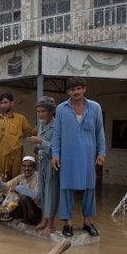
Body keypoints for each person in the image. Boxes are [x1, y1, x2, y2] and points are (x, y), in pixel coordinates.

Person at [51, 77, 106, 238]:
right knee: (66, 188)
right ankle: (68, 224)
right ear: (68, 91)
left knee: (89, 188)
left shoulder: (95, 107)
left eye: (78, 88)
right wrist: (55, 154)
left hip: (89, 157)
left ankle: (87, 222)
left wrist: (101, 153)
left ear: (84, 89)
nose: (76, 92)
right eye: (72, 89)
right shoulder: (61, 109)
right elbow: (57, 134)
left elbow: (100, 132)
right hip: (67, 156)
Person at [0, 92, 34, 181]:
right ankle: (4, 195)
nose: (3, 105)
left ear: (12, 103)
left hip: (15, 154)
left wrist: (42, 125)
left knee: (16, 179)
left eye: (5, 102)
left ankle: (14, 195)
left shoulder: (20, 118)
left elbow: (30, 132)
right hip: (0, 156)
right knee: (2, 180)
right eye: (1, 103)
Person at [28, 96, 59, 234]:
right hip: (42, 163)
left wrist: (40, 141)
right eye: (38, 111)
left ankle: (50, 224)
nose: (40, 114)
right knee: (43, 192)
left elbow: (58, 148)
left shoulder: (57, 125)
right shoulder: (41, 125)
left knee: (51, 193)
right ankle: (43, 221)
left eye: (43, 111)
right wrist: (38, 147)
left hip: (52, 164)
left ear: (51, 111)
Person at [0, 156, 41, 225]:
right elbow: (6, 186)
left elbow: (36, 196)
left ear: (34, 167)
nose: (26, 169)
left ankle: (26, 219)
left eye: (29, 166)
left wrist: (18, 188)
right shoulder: (21, 177)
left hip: (34, 213)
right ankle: (10, 215)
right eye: (24, 166)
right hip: (23, 210)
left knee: (23, 197)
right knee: (7, 193)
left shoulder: (38, 177)